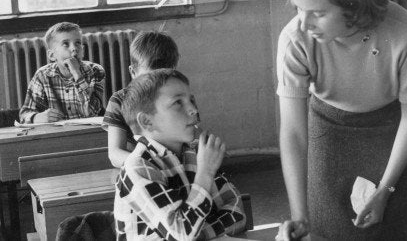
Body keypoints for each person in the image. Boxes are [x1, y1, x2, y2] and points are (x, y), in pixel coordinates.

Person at [275, 0, 407, 241]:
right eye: (298, 9)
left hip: (392, 132)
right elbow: (293, 132)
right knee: (329, 230)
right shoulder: (294, 38)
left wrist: (386, 190)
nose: (304, 23)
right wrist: (299, 214)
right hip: (329, 130)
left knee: (393, 230)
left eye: (317, 13)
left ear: (352, 4)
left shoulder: (403, 30)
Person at [114, 69, 246, 240]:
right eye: (178, 102)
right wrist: (205, 174)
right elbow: (181, 234)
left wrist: (198, 235)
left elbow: (236, 212)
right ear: (147, 121)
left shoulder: (195, 152)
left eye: (191, 100)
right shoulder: (138, 166)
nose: (193, 109)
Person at [102, 30, 180, 168]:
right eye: (149, 78)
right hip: (139, 168)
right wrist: (152, 164)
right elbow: (114, 154)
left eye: (165, 77)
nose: (156, 85)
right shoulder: (119, 101)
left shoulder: (179, 98)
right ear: (133, 72)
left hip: (176, 166)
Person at [19, 22, 105, 123]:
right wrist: (36, 117)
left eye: (78, 43)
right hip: (58, 135)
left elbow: (92, 112)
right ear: (51, 55)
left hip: (88, 133)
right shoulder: (42, 75)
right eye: (66, 44)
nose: (74, 48)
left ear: (83, 50)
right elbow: (24, 114)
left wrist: (77, 75)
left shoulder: (95, 70)